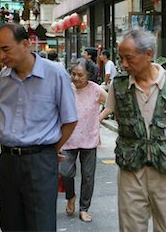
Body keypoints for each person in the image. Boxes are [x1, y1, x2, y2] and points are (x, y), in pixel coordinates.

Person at [100, 28, 166, 232]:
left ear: (148, 54)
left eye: (129, 58)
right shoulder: (119, 85)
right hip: (131, 170)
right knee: (130, 227)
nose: (124, 64)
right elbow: (112, 112)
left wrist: (164, 144)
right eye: (121, 58)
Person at [0, 23, 78, 231]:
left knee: (41, 225)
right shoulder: (3, 77)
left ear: (25, 44)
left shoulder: (54, 74)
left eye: (6, 49)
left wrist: (52, 150)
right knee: (11, 225)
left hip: (40, 162)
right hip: (8, 161)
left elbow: (70, 119)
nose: (1, 57)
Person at [60, 58, 107, 222]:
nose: (76, 78)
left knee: (88, 176)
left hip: (89, 138)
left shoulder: (96, 90)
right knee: (65, 171)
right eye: (73, 74)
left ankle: (84, 208)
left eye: (80, 75)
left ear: (89, 75)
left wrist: (99, 118)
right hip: (67, 138)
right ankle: (70, 195)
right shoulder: (66, 88)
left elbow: (111, 103)